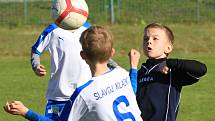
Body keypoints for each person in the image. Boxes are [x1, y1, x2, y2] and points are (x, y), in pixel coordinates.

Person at [4, 26, 143, 121]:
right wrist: (133, 68)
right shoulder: (122, 73)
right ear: (112, 53)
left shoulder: (84, 94)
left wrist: (26, 112)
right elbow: (132, 90)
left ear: (82, 55)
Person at [136, 22, 207, 121]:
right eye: (146, 39)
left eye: (155, 38)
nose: (149, 41)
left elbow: (201, 69)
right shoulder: (140, 73)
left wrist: (171, 63)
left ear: (168, 48)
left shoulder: (172, 71)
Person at [31, 21, 92, 120]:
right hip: (58, 96)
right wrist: (36, 65)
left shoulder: (89, 29)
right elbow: (35, 50)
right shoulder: (53, 29)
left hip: (85, 95)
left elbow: (99, 53)